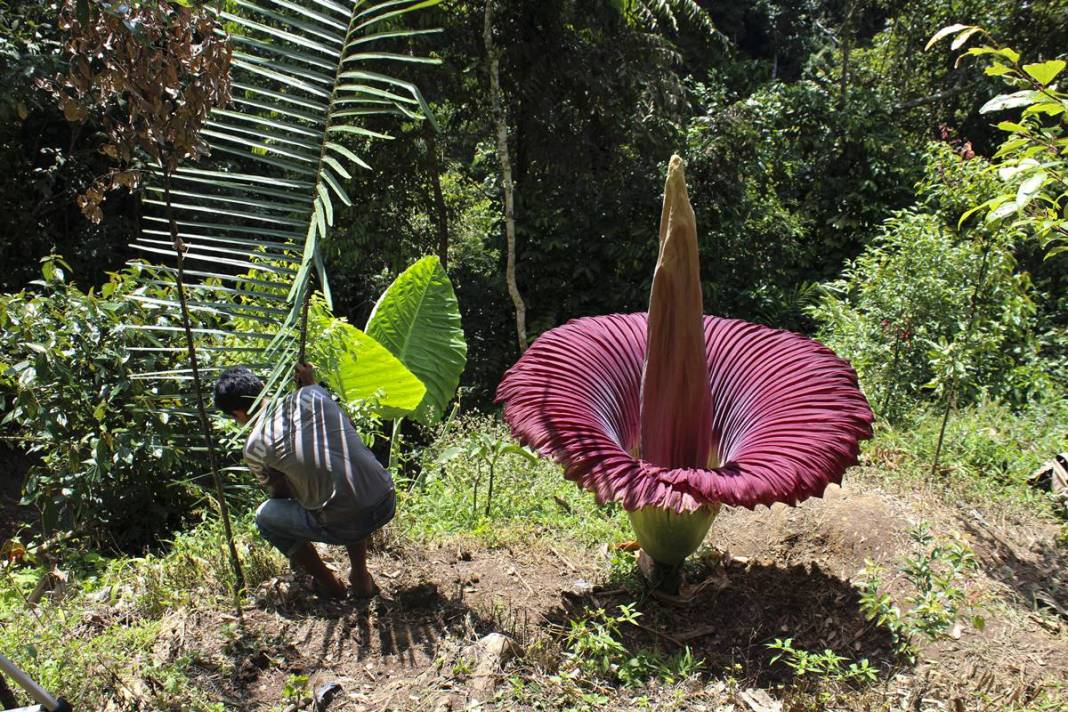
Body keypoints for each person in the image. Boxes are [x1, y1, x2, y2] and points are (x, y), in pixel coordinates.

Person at [214, 362, 395, 598]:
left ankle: (330, 584)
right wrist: (310, 383)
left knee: (266, 518)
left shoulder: (255, 446)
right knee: (342, 475)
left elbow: (281, 495)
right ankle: (360, 577)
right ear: (261, 385)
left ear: (237, 413)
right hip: (384, 498)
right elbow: (348, 426)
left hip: (345, 523)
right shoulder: (313, 394)